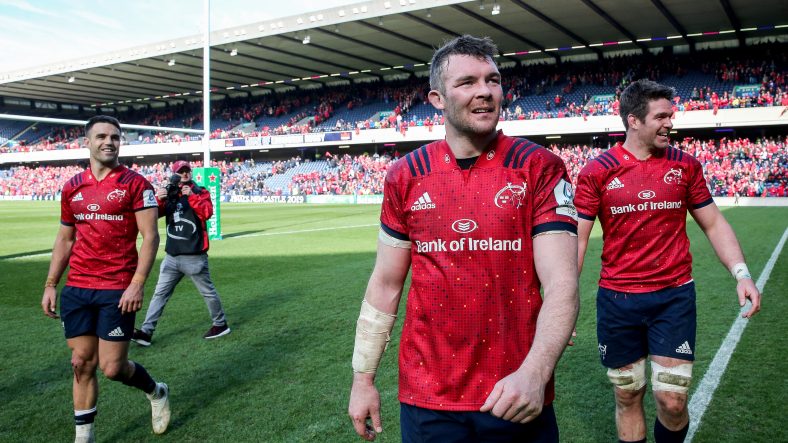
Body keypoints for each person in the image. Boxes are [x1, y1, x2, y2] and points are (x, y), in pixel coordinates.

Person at [347, 35, 579, 442]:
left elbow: (562, 283)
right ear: (437, 98)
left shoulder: (538, 167)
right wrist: (362, 379)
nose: (485, 92)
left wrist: (535, 374)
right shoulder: (406, 174)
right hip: (426, 397)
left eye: (493, 80)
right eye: (468, 82)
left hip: (515, 392)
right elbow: (385, 285)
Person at [574, 79, 761, 443]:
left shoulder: (685, 165)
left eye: (671, 115)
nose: (670, 123)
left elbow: (714, 222)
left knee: (672, 401)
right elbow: (577, 241)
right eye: (661, 116)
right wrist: (562, 304)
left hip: (673, 298)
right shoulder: (597, 171)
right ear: (634, 120)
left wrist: (742, 274)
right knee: (627, 394)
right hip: (618, 301)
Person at [40, 115, 171, 443]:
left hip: (117, 289)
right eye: (101, 136)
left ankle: (156, 391)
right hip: (78, 288)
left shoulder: (136, 184)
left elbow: (151, 237)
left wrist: (137, 283)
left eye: (114, 137)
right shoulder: (72, 187)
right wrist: (51, 283)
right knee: (81, 363)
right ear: (87, 141)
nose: (108, 142)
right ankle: (83, 437)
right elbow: (65, 239)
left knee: (112, 368)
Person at [132, 160, 230, 346]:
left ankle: (221, 324)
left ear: (191, 173)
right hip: (171, 256)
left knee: (208, 293)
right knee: (159, 295)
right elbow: (154, 216)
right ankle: (146, 332)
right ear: (175, 174)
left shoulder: (200, 191)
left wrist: (192, 195)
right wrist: (157, 199)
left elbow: (207, 213)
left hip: (194, 255)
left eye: (187, 171)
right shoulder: (170, 193)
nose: (184, 174)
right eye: (180, 171)